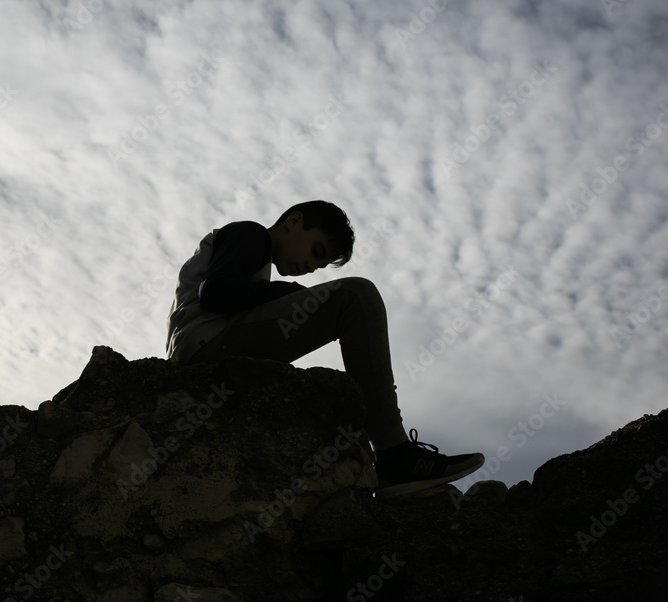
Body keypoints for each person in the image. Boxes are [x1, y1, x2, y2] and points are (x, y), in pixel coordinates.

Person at [165, 200, 484, 497]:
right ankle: (394, 453)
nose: (310, 266)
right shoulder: (251, 233)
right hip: (206, 347)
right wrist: (290, 292)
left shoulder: (257, 261)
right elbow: (216, 293)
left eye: (319, 265)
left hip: (207, 349)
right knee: (356, 296)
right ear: (294, 221)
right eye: (316, 250)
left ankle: (389, 452)